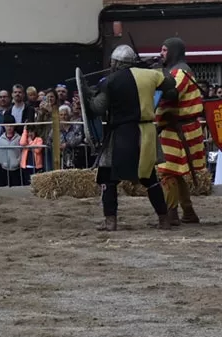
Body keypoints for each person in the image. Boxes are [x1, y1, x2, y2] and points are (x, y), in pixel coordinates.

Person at [83, 45, 178, 231]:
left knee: (107, 177)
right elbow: (171, 85)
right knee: (150, 178)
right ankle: (163, 219)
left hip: (121, 134)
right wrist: (153, 69)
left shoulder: (110, 81)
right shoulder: (149, 75)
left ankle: (110, 221)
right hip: (146, 133)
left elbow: (98, 108)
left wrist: (88, 98)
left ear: (116, 63)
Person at [155, 37, 206, 225]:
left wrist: (154, 78)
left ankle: (171, 213)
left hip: (179, 129)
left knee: (167, 172)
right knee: (175, 173)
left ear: (174, 51)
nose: (161, 54)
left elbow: (171, 93)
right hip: (174, 129)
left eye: (164, 50)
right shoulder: (175, 71)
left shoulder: (180, 72)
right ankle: (188, 211)